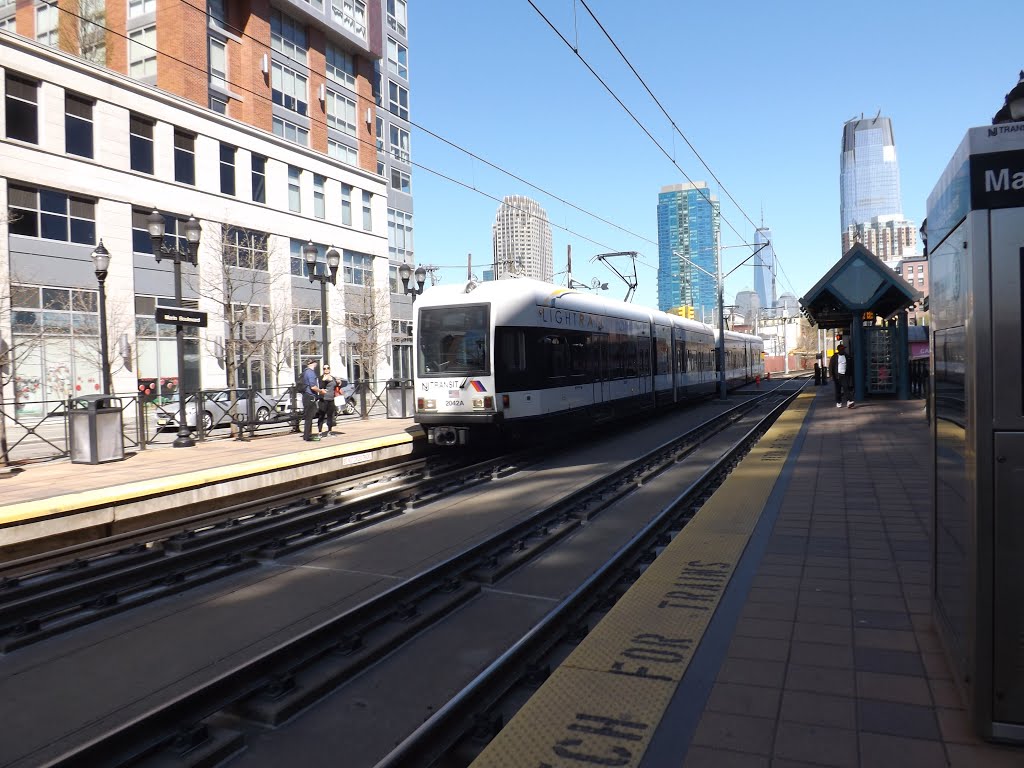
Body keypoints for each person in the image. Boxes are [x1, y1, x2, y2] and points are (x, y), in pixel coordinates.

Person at [301, 359, 324, 442]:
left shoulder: (305, 372)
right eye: (315, 363)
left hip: (306, 396)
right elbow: (313, 387)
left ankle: (307, 435)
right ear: (313, 363)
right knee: (309, 417)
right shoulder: (310, 372)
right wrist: (321, 391)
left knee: (308, 416)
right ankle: (307, 436)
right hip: (310, 397)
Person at [828, 343, 855, 408]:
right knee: (838, 389)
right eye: (842, 349)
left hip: (845, 375)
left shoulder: (847, 356)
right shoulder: (834, 357)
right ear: (838, 350)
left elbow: (850, 366)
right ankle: (838, 402)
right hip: (837, 376)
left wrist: (851, 374)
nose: (843, 350)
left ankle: (849, 401)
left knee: (846, 388)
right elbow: (831, 366)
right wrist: (831, 375)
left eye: (844, 349)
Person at [317, 364, 338, 437]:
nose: (326, 369)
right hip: (324, 399)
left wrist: (339, 383)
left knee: (330, 416)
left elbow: (336, 386)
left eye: (327, 368)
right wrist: (324, 380)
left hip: (331, 399)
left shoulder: (333, 378)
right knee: (321, 415)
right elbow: (320, 387)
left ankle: (329, 431)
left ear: (329, 369)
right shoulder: (321, 378)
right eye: (324, 368)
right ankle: (320, 432)